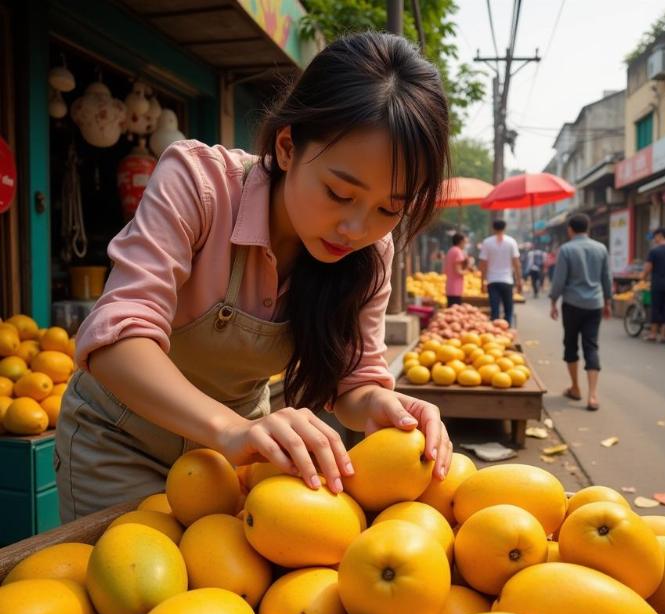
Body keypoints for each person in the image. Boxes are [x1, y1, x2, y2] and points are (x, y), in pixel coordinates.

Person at [55, 32, 453, 521]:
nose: (357, 228)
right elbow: (116, 338)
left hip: (238, 458)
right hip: (120, 444)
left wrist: (379, 404)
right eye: (338, 193)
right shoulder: (198, 185)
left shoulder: (372, 250)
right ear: (287, 147)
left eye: (389, 208)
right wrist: (229, 429)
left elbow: (354, 379)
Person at [549, 213, 611, 412]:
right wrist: (608, 301)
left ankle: (575, 388)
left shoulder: (566, 249)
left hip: (573, 304)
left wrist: (553, 301)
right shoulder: (601, 248)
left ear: (570, 230)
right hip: (595, 304)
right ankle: (593, 396)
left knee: (571, 345)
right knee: (591, 346)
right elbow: (606, 278)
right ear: (588, 228)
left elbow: (559, 280)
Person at [478, 219, 522, 325]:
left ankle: (495, 334)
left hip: (492, 281)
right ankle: (507, 332)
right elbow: (517, 264)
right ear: (505, 228)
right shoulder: (511, 241)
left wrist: (482, 282)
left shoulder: (487, 242)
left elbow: (483, 265)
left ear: (493, 228)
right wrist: (519, 281)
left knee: (495, 311)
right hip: (507, 280)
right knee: (508, 310)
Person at [444, 232, 471, 306]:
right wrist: (468, 270)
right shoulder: (458, 251)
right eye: (465, 243)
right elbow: (458, 271)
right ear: (461, 241)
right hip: (455, 288)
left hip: (449, 286)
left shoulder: (451, 250)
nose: (465, 245)